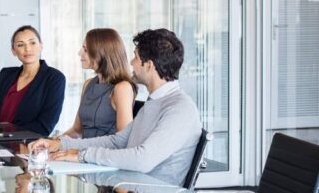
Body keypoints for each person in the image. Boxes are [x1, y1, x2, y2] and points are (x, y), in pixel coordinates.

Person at [28, 29, 202, 186]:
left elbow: (143, 159)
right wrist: (61, 144)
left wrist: (81, 155)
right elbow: (117, 141)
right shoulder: (154, 102)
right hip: (129, 184)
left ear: (148, 65)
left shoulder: (180, 108)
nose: (131, 63)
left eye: (135, 57)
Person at [0, 26, 65, 136]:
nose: (27, 48)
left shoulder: (54, 78)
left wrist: (6, 135)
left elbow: (45, 125)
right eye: (20, 45)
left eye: (32, 43)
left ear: (41, 45)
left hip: (26, 145)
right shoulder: (6, 74)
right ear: (13, 51)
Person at [60, 28, 136, 138]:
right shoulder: (88, 84)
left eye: (85, 49)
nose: (79, 53)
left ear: (102, 53)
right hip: (80, 152)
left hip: (103, 154)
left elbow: (122, 139)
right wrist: (51, 142)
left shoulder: (122, 88)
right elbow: (77, 131)